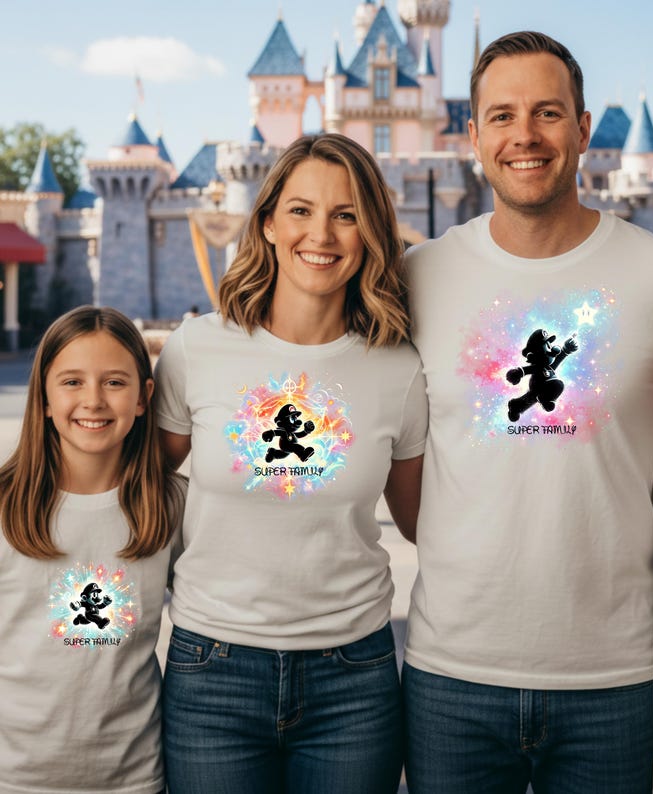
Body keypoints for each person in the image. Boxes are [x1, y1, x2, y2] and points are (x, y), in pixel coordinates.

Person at [402, 30, 653, 793]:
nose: (525, 136)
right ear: (471, 136)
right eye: (502, 116)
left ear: (582, 128)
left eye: (547, 112)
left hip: (618, 677)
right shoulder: (419, 276)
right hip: (452, 677)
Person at [155, 133, 427, 793]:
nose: (323, 234)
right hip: (212, 667)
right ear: (269, 221)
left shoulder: (399, 368)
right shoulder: (198, 348)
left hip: (352, 679)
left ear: (370, 232)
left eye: (347, 213)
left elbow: (426, 524)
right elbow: (139, 491)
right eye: (302, 210)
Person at [0, 306, 184, 794]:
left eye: (115, 383)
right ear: (42, 396)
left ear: (145, 398)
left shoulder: (170, 504)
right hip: (14, 777)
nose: (94, 401)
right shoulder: (3, 507)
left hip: (134, 778)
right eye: (73, 382)